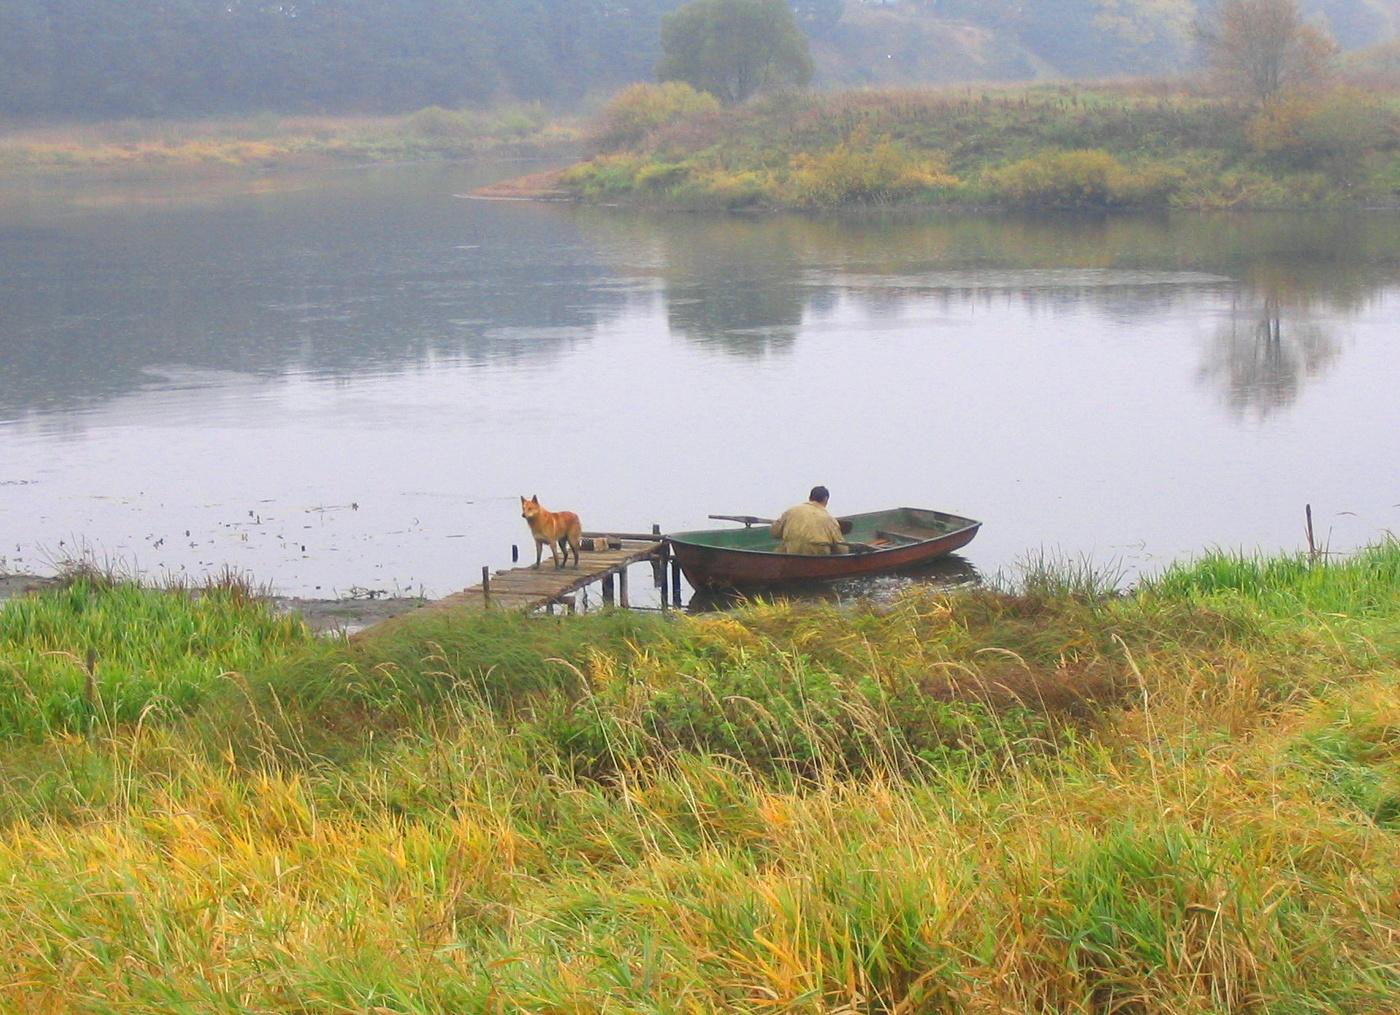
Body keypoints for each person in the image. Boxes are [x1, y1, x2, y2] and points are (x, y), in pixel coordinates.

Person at [770, 485, 843, 555]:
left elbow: (774, 533)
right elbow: (840, 548)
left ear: (810, 498)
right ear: (826, 499)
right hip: (818, 558)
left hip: (791, 555)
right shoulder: (830, 520)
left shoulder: (791, 511)